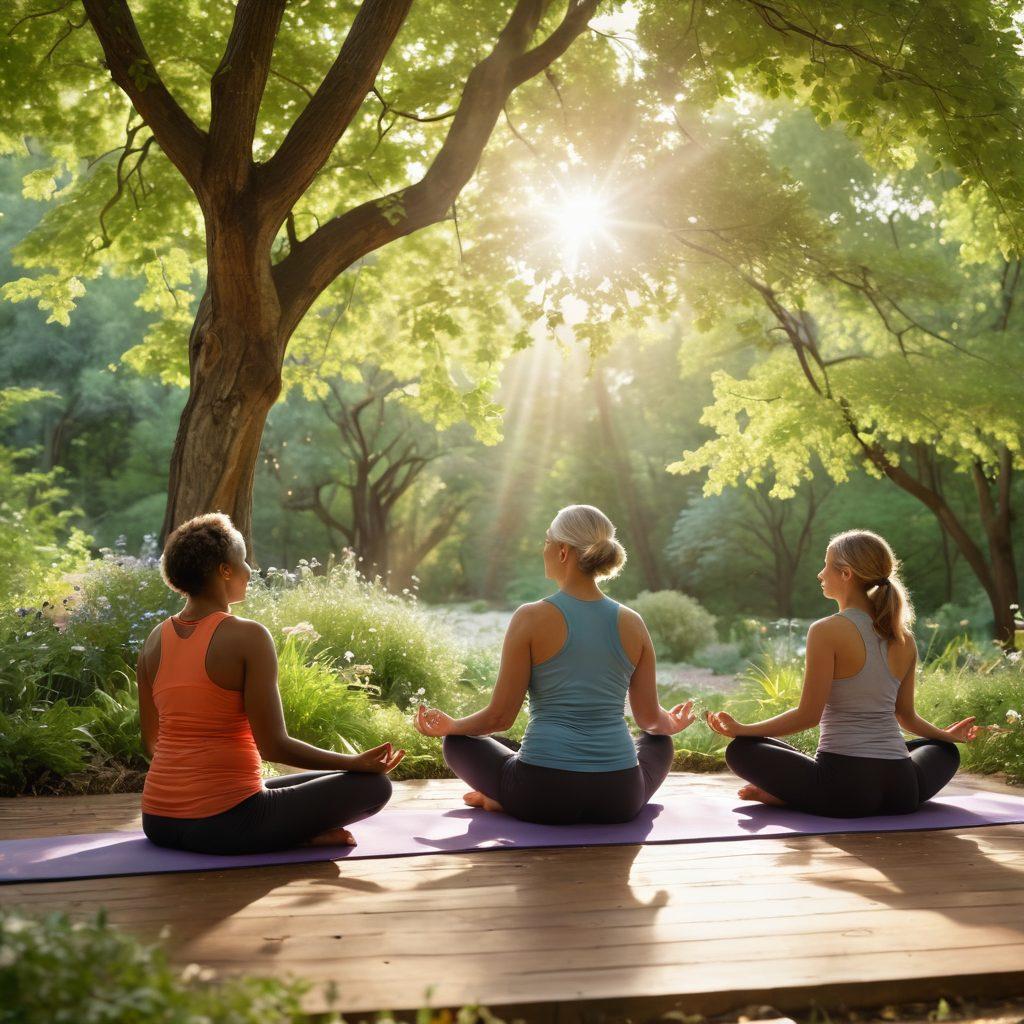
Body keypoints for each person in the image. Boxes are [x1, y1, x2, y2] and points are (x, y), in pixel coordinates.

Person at [138, 512, 403, 855]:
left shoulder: (154, 640)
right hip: (225, 824)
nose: (251, 571)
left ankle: (280, 828)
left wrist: (192, 787)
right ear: (225, 570)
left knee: (305, 784)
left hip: (157, 820)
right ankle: (293, 835)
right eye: (244, 560)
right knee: (373, 786)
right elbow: (274, 747)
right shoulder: (249, 636)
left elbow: (152, 743)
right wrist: (354, 763)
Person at [413, 504, 695, 825]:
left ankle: (502, 800)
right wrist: (670, 724)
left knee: (459, 742)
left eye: (547, 541)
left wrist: (453, 726)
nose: (543, 549)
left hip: (542, 794)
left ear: (563, 552)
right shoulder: (633, 622)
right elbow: (649, 719)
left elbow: (500, 717)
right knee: (659, 740)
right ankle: (507, 796)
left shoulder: (530, 617)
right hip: (619, 797)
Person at [707, 529, 978, 817]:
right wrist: (946, 736)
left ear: (846, 574)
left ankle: (793, 797)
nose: (820, 574)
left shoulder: (826, 631)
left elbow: (807, 717)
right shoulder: (904, 638)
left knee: (741, 750)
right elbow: (906, 717)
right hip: (902, 791)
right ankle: (815, 791)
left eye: (826, 565)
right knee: (943, 750)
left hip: (843, 792)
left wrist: (742, 730)